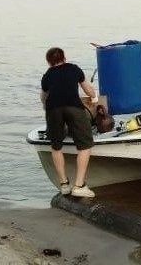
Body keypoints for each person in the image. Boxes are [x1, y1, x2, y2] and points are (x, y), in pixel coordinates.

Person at [40, 47, 96, 198]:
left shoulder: (47, 76)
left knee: (56, 146)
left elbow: (44, 97)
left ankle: (64, 185)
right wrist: (94, 97)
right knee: (85, 145)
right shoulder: (74, 69)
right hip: (74, 107)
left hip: (53, 109)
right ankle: (79, 185)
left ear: (49, 62)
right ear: (64, 58)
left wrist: (47, 108)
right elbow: (88, 90)